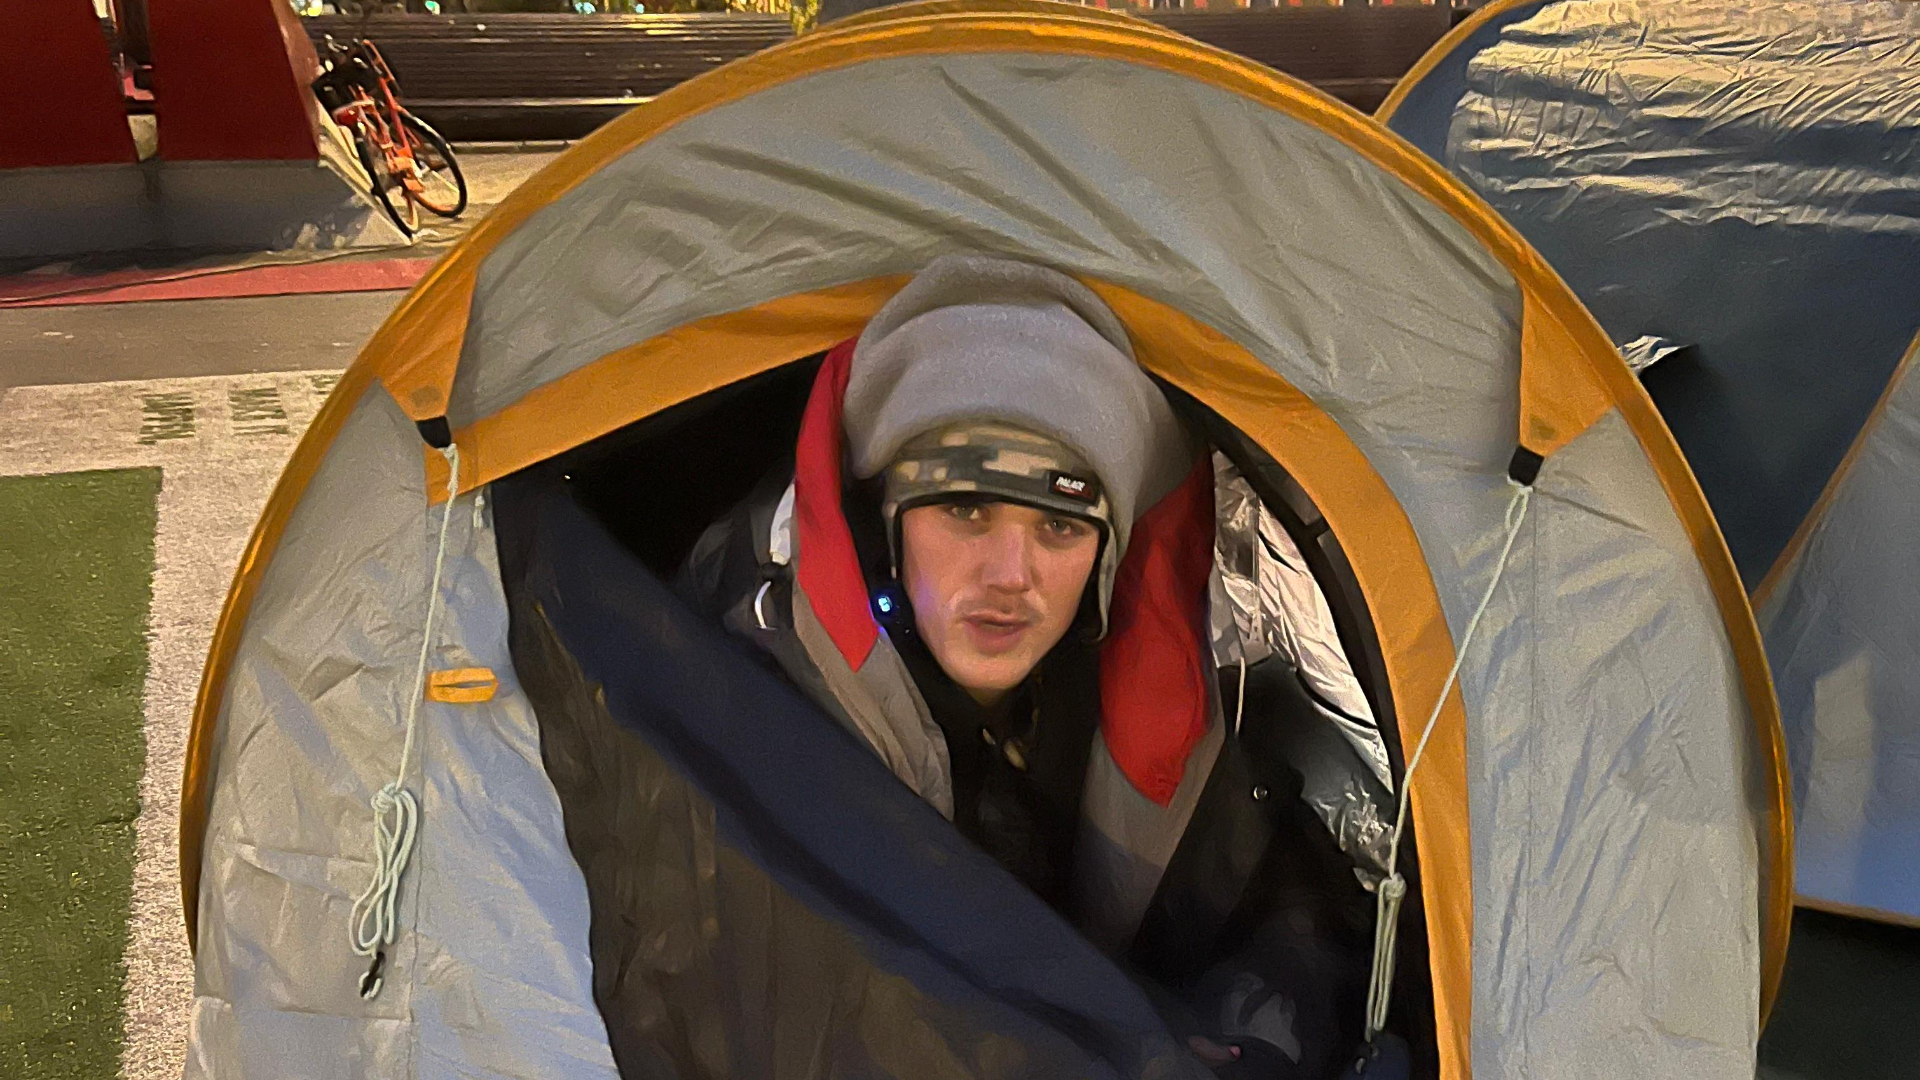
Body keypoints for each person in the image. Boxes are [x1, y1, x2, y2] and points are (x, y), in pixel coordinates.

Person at [676, 255, 1385, 1077]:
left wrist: (1244, 1044)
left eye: (1060, 527)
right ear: (888, 528)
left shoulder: (1130, 696)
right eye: (966, 508)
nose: (1011, 574)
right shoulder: (748, 694)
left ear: (1107, 559)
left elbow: (1282, 906)